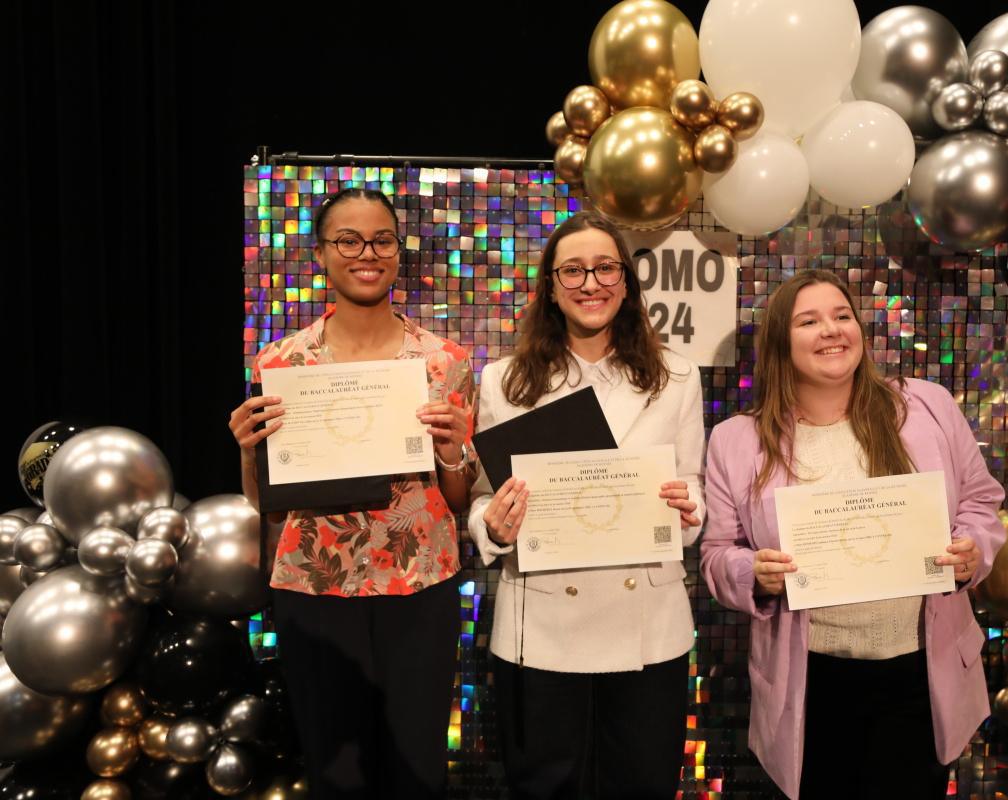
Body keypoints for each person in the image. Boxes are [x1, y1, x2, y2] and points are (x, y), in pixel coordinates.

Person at [700, 270, 1006, 800]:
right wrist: (755, 573)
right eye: (809, 321)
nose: (831, 331)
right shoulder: (736, 440)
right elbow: (715, 555)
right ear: (779, 341)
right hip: (813, 680)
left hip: (922, 674)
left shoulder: (926, 405)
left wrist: (973, 551)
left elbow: (982, 501)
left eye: (842, 316)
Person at [227, 187, 477, 799]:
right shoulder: (283, 362)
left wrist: (451, 451)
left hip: (419, 582)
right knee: (335, 770)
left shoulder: (444, 362)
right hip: (314, 588)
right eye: (348, 240)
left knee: (416, 764)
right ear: (321, 254)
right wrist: (245, 449)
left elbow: (461, 499)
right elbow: (269, 504)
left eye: (381, 240)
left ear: (398, 253)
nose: (367, 253)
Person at [467, 211, 705, 799]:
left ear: (626, 281)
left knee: (642, 786)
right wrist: (491, 525)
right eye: (572, 270)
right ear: (550, 286)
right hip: (542, 626)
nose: (590, 283)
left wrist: (688, 507)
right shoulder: (503, 380)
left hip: (649, 627)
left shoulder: (677, 376)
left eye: (605, 268)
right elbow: (478, 497)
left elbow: (693, 484)